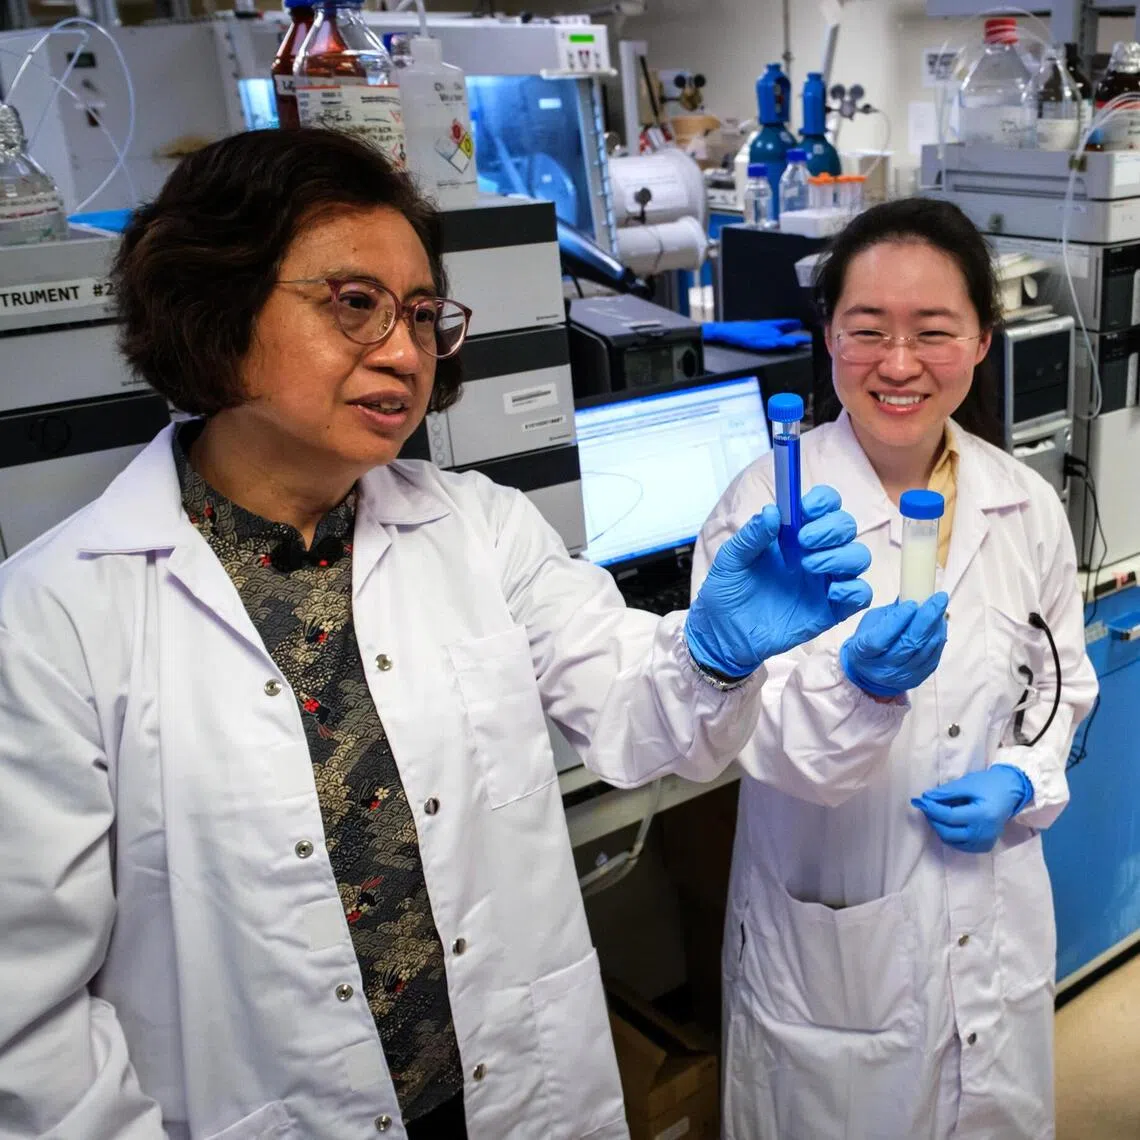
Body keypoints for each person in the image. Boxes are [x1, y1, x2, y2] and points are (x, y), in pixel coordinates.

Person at [0, 129, 882, 1140]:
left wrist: (712, 656)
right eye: (354, 303)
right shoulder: (53, 620)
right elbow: (32, 1024)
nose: (403, 350)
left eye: (422, 314)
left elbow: (634, 716)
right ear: (216, 306)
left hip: (515, 1095)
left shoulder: (480, 528)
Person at [698, 197, 1099, 1140]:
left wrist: (1023, 775)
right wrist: (860, 692)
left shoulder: (1023, 502)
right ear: (828, 336)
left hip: (993, 917)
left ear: (983, 341)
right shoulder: (767, 509)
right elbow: (739, 728)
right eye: (868, 329)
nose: (900, 363)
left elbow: (1058, 683)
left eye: (934, 331)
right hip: (837, 939)